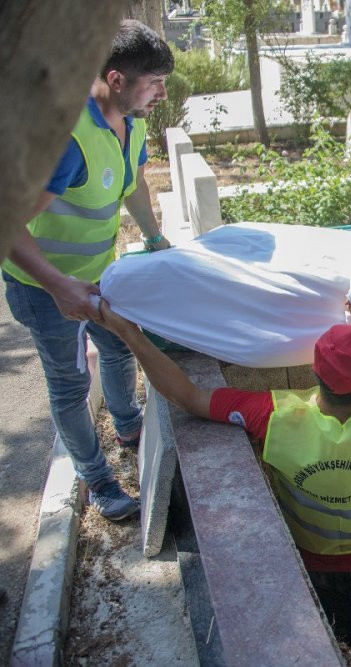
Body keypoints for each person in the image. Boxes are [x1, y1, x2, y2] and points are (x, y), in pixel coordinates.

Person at [94, 295, 351, 652]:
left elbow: (187, 396)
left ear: (316, 370)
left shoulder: (275, 416)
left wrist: (129, 334)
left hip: (307, 564)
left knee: (335, 641)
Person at [3, 20, 173, 521]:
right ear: (116, 78)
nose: (163, 92)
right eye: (154, 81)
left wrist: (157, 240)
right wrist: (57, 286)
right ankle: (97, 479)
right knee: (71, 385)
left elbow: (133, 183)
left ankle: (127, 423)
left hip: (101, 271)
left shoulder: (132, 119)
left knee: (120, 347)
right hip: (44, 287)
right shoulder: (64, 139)